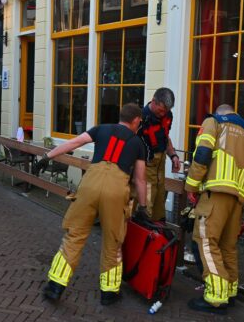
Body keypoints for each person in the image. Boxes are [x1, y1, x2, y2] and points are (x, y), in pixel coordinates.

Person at [35, 103, 148, 305]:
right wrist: (144, 206)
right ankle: (109, 293)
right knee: (113, 242)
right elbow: (140, 180)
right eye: (139, 122)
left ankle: (55, 286)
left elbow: (74, 143)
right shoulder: (138, 144)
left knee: (74, 235)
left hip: (89, 186)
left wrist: (47, 156)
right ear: (135, 121)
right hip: (115, 192)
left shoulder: (101, 129)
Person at [184, 104, 244, 314]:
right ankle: (230, 291)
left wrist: (191, 186)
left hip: (215, 194)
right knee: (228, 247)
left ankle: (216, 296)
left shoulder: (214, 122)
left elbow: (202, 154)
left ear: (219, 112)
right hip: (238, 201)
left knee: (205, 241)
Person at [138, 87, 181, 221]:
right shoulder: (140, 119)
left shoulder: (167, 116)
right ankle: (142, 230)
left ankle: (157, 230)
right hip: (145, 166)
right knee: (146, 205)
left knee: (159, 204)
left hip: (160, 167)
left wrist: (173, 155)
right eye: (161, 110)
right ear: (153, 101)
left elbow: (165, 138)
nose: (163, 114)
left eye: (166, 111)